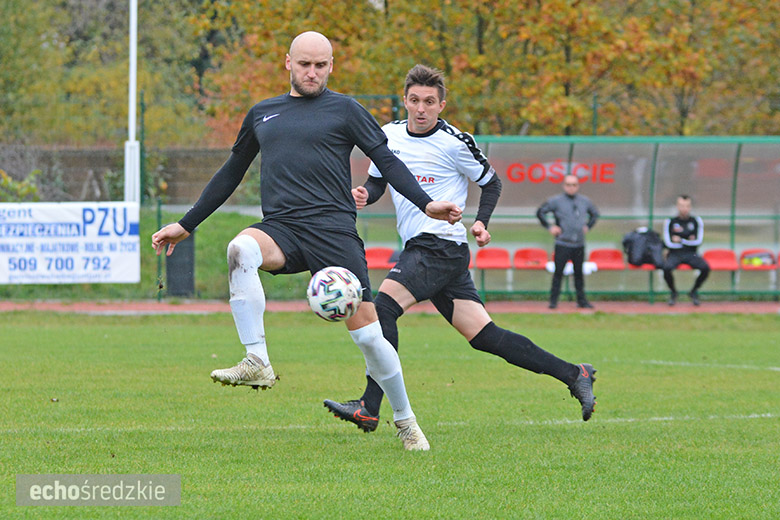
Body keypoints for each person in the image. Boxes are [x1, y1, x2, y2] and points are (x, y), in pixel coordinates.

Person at [151, 32, 463, 451]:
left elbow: (388, 161)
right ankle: (257, 360)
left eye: (320, 65)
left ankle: (406, 421)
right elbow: (230, 172)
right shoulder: (263, 114)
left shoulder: (347, 110)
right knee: (240, 249)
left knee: (370, 338)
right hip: (282, 227)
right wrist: (187, 224)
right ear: (288, 63)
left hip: (334, 233)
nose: (312, 72)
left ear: (331, 65)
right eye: (304, 64)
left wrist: (426, 205)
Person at [323, 65, 597, 434]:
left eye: (430, 102)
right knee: (485, 336)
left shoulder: (455, 141)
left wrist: (481, 221)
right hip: (433, 251)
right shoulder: (387, 136)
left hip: (438, 245)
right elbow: (377, 183)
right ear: (404, 100)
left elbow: (491, 182)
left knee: (382, 309)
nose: (421, 109)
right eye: (415, 101)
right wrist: (364, 196)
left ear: (442, 105)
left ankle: (369, 407)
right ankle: (573, 373)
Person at [536, 175, 599, 309]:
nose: (571, 188)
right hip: (562, 243)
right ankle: (553, 302)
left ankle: (582, 301)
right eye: (569, 185)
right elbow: (540, 212)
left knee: (578, 274)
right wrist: (550, 226)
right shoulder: (556, 201)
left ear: (578, 186)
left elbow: (595, 214)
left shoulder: (584, 201)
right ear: (564, 186)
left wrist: (588, 226)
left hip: (579, 244)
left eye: (574, 185)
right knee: (558, 273)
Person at [662, 195, 710, 306]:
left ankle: (693, 291)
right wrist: (688, 239)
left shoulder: (696, 221)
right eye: (682, 206)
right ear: (677, 206)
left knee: (705, 268)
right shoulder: (670, 222)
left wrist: (680, 240)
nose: (684, 208)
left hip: (691, 254)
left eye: (687, 206)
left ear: (690, 207)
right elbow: (668, 243)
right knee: (666, 268)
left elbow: (698, 242)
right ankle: (673, 292)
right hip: (675, 254)